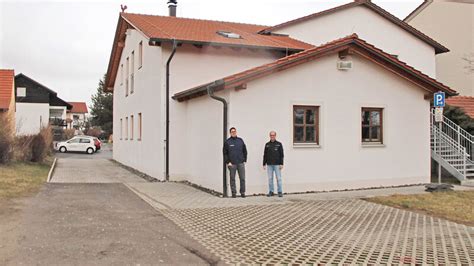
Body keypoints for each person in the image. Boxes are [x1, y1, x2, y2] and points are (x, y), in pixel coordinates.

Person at [223, 127, 247, 198]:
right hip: (232, 164)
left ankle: (242, 192)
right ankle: (234, 193)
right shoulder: (227, 142)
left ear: (236, 132)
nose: (233, 132)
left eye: (234, 131)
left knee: (242, 178)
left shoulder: (240, 140)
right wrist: (228, 162)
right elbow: (225, 153)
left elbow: (245, 150)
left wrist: (244, 160)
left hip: (240, 163)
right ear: (230, 133)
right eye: (232, 132)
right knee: (232, 178)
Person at [263, 131, 284, 197]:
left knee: (279, 178)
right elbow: (265, 155)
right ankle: (271, 191)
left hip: (277, 164)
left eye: (273, 135)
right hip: (269, 165)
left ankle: (280, 191)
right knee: (270, 178)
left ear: (275, 136)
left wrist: (281, 163)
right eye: (271, 135)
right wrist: (264, 164)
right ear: (270, 136)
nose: (272, 136)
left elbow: (281, 154)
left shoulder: (279, 144)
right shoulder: (267, 144)